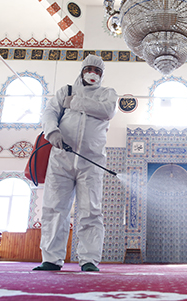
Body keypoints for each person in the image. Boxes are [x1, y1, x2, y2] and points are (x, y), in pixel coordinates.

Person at [33, 55, 119, 272]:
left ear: (101, 75)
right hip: (61, 159)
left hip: (91, 162)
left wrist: (77, 103)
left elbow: (107, 111)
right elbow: (50, 112)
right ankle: (51, 259)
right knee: (54, 207)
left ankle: (89, 260)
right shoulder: (66, 91)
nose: (93, 74)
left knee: (90, 210)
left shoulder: (107, 94)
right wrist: (52, 131)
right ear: (82, 70)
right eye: (89, 69)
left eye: (97, 71)